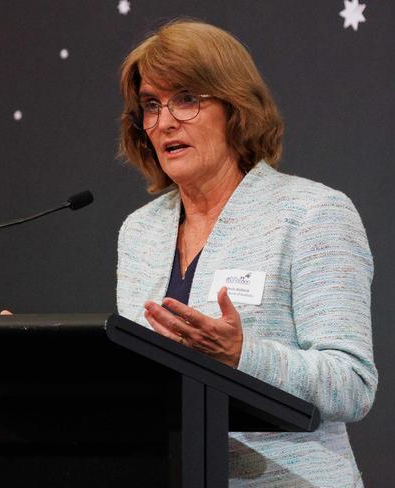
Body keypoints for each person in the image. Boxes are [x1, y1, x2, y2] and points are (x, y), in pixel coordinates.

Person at [116, 20, 377, 487]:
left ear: (235, 107)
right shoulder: (140, 232)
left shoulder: (311, 214)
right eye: (150, 105)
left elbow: (351, 383)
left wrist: (242, 355)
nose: (164, 121)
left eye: (186, 99)